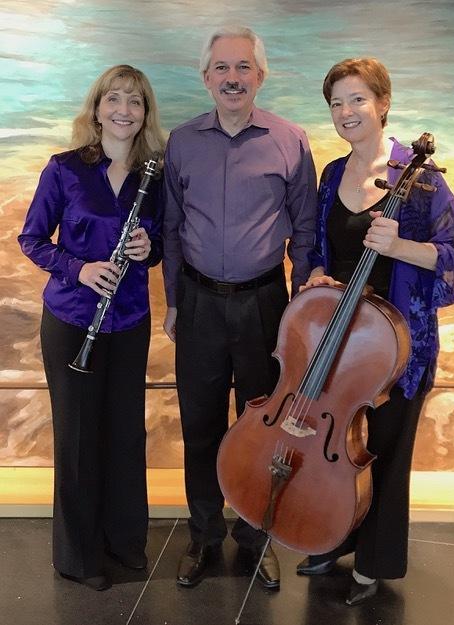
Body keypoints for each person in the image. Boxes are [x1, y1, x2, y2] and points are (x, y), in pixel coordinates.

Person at [296, 58, 454, 605]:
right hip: (340, 341)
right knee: (341, 450)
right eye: (336, 103)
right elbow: (323, 253)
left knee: (385, 454)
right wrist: (316, 276)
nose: (346, 112)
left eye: (357, 99)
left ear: (383, 103)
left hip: (396, 344)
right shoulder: (331, 175)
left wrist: (399, 248)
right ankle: (334, 538)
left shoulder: (421, 183)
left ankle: (374, 563)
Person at [162, 25, 317, 589]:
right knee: (200, 426)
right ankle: (203, 537)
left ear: (260, 75)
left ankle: (255, 539)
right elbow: (172, 230)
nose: (232, 78)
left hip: (265, 306)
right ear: (206, 78)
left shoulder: (291, 140)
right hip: (199, 303)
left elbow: (305, 232)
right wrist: (173, 303)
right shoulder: (181, 142)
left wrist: (299, 312)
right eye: (222, 68)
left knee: (262, 430)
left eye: (243, 67)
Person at [18, 65, 165, 591]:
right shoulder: (64, 170)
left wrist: (151, 250)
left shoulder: (156, 174)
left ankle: (125, 546)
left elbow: (164, 241)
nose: (124, 110)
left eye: (135, 102)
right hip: (72, 319)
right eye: (114, 100)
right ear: (97, 108)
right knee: (79, 439)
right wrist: (78, 268)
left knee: (126, 436)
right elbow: (32, 239)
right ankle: (80, 558)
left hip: (128, 322)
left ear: (145, 114)